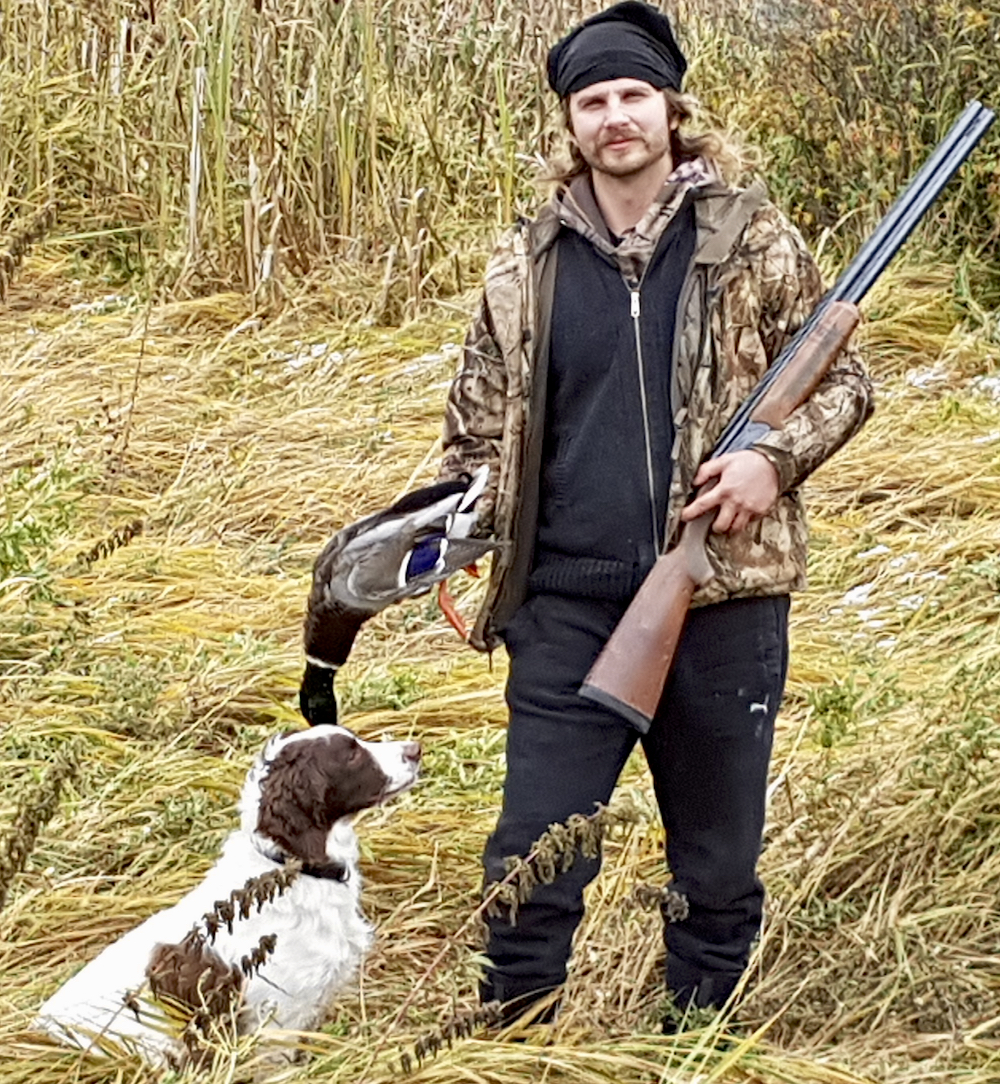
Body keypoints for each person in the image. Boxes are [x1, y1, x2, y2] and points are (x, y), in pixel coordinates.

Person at [438, 0, 873, 1027]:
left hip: (722, 599)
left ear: (671, 109)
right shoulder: (523, 265)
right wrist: (448, 546)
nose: (615, 115)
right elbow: (474, 435)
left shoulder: (750, 236)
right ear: (570, 124)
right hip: (565, 605)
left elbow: (846, 381)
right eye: (592, 100)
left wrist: (773, 457)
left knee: (715, 866)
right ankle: (513, 1043)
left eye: (633, 93)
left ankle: (694, 1045)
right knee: (532, 860)